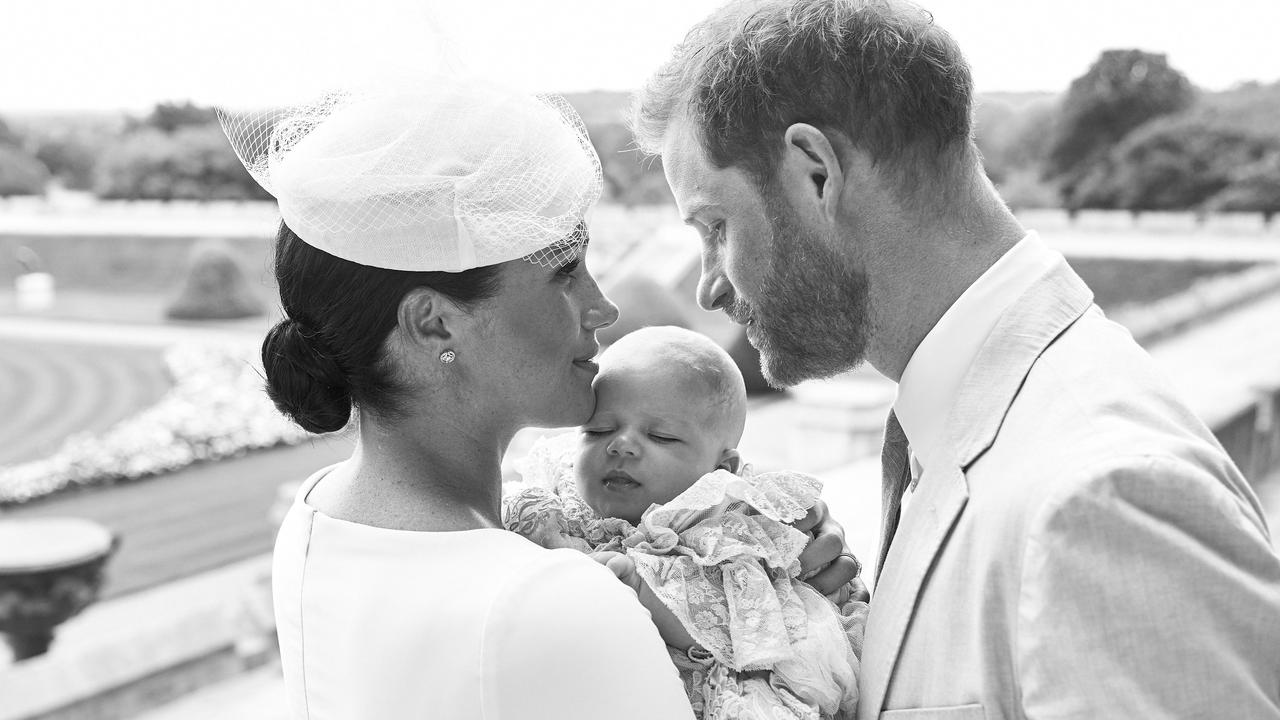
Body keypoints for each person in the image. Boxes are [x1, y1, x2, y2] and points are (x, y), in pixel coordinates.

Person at [632, 1, 1280, 718]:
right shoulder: (987, 427)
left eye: (715, 226)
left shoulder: (1102, 497)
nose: (708, 285)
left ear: (815, 173)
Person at [221, 76, 858, 719]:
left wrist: (746, 549)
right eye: (564, 273)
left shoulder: (320, 515)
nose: (602, 308)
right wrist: (787, 632)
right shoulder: (560, 601)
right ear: (435, 324)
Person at [503, 326, 867, 718]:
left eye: (661, 436)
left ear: (720, 469)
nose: (621, 444)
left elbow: (737, 630)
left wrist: (641, 591)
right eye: (598, 430)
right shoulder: (553, 505)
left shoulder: (724, 531)